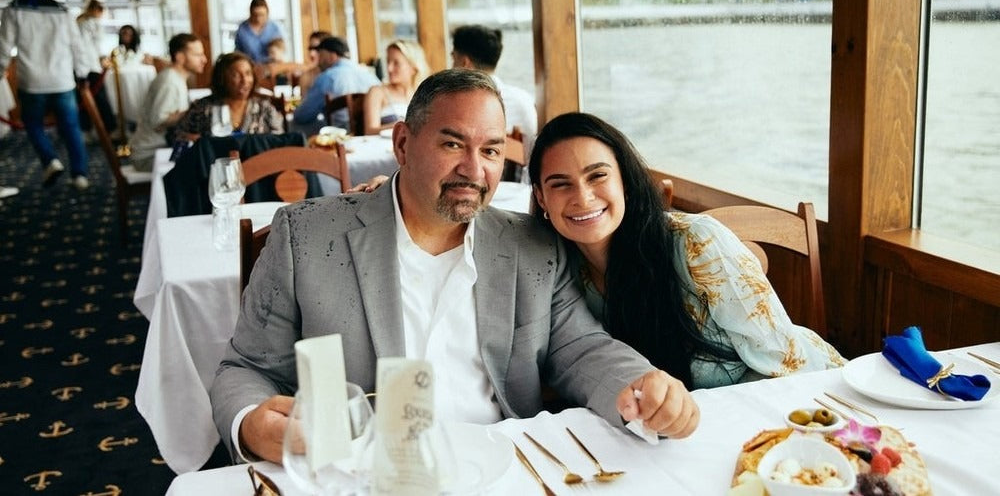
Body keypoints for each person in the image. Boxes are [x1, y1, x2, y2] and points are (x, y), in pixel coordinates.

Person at [211, 69, 700, 464]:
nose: (474, 168)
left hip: (498, 466)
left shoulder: (532, 245)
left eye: (490, 150)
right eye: (451, 144)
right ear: (403, 144)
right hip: (362, 472)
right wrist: (251, 423)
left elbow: (581, 347)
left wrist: (641, 383)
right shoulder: (307, 237)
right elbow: (246, 368)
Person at [528, 112, 846, 390]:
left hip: (813, 396)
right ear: (542, 198)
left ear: (624, 180)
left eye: (597, 175)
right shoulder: (560, 271)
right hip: (684, 433)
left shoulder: (696, 244)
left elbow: (790, 366)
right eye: (560, 184)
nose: (582, 198)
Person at [0, 0, 92, 189]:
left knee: (32, 125)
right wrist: (82, 74)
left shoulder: (13, 10)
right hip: (62, 80)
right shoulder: (61, 11)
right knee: (71, 127)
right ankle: (80, 174)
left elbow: (4, 48)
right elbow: (77, 45)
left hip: (32, 81)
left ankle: (50, 159)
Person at [451, 24, 537, 174]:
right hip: (520, 181)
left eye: (453, 59)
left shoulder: (459, 102)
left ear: (464, 62)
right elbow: (527, 153)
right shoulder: (523, 99)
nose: (451, 66)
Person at [128, 34, 208, 171]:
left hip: (162, 148)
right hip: (149, 154)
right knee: (203, 165)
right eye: (198, 55)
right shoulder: (169, 82)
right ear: (180, 57)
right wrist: (191, 111)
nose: (204, 60)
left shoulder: (175, 77)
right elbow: (158, 120)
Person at [176, 52, 283, 141]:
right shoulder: (204, 107)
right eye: (236, 75)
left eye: (248, 73)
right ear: (222, 78)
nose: (244, 80)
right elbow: (177, 135)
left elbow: (279, 141)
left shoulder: (263, 107)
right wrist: (200, 141)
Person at [291, 36, 379, 136]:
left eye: (320, 57)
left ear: (332, 56)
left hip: (341, 135)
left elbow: (302, 116)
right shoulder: (369, 74)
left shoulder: (327, 77)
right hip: (371, 132)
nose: (318, 62)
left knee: (295, 126)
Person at [362, 39, 429, 135]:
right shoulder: (377, 92)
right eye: (388, 62)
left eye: (396, 63)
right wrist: (402, 126)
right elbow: (369, 131)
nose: (389, 68)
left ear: (413, 67)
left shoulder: (424, 94)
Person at [75, 0, 117, 133]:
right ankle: (110, 128)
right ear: (97, 10)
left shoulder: (78, 22)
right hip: (92, 66)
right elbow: (97, 47)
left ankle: (86, 128)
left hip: (78, 67)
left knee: (82, 99)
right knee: (101, 98)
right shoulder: (94, 23)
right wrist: (103, 59)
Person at [234, 0, 284, 64]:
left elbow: (281, 51)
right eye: (255, 15)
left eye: (262, 15)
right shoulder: (242, 29)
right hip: (251, 68)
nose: (258, 18)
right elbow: (238, 53)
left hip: (271, 68)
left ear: (267, 13)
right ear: (250, 13)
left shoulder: (274, 28)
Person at [295, 30, 331, 96]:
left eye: (317, 49)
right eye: (310, 48)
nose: (311, 54)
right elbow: (306, 104)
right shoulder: (306, 77)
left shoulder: (335, 75)